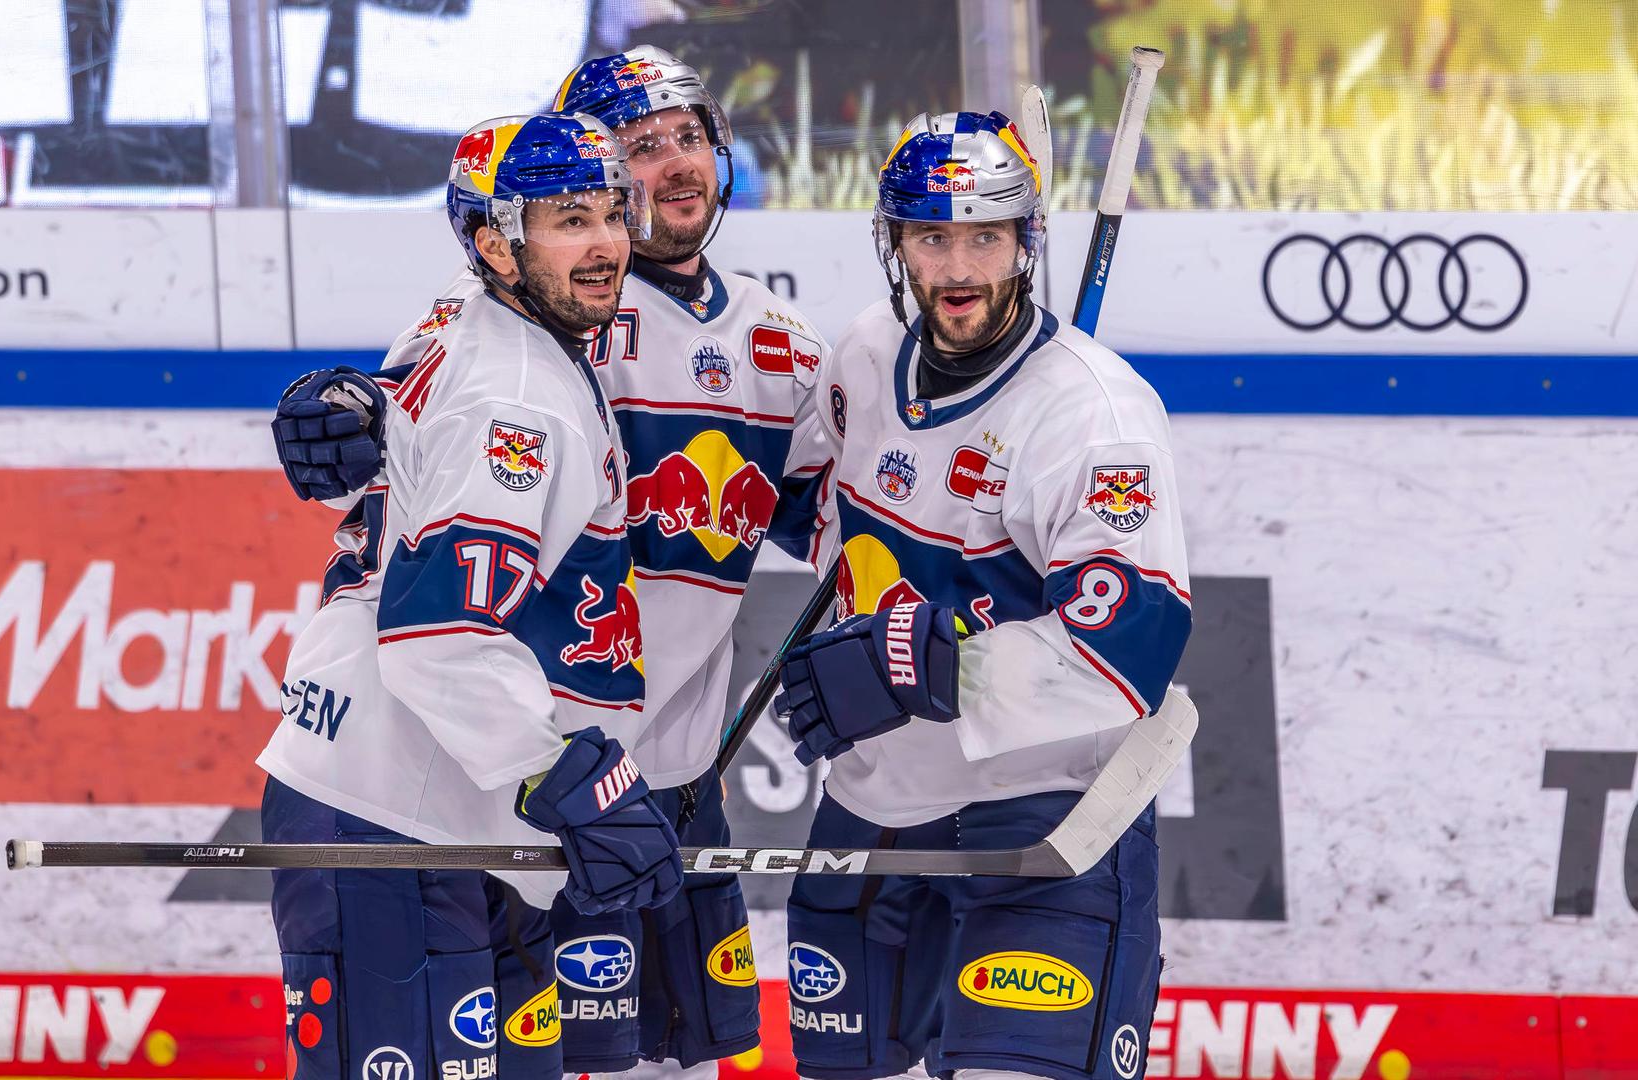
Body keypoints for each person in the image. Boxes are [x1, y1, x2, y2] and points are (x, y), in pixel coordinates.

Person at [272, 46, 835, 1080]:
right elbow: (433, 604)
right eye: (582, 202)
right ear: (499, 240)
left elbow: (854, 523)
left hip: (607, 773)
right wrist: (354, 410)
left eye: (682, 141)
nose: (616, 223)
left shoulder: (776, 350)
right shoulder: (512, 348)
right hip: (509, 769)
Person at [255, 111, 687, 1080]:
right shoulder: (517, 398)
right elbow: (438, 634)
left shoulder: (469, 311)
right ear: (497, 242)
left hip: (447, 805)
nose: (606, 245)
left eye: (612, 214)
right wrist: (568, 775)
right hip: (388, 804)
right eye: (567, 220)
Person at [771, 111, 1192, 1080]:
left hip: (1041, 810)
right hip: (878, 803)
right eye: (932, 236)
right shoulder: (867, 359)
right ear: (897, 245)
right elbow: (807, 508)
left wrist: (927, 664)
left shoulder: (1096, 415)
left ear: (1025, 243)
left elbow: (1129, 644)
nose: (958, 267)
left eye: (985, 238)